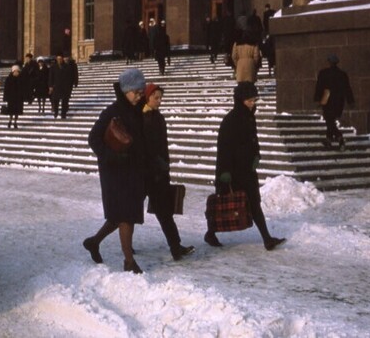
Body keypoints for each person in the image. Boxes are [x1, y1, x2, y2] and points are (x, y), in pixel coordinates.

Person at [205, 82, 285, 251]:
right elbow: (224, 148)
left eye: (254, 100)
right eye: (249, 100)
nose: (252, 103)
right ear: (240, 100)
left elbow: (253, 141)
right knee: (227, 203)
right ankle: (210, 233)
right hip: (233, 171)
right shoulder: (231, 120)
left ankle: (267, 239)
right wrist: (224, 172)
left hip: (248, 169)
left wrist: (257, 155)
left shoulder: (249, 116)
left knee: (254, 202)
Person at [84, 68, 148, 273]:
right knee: (126, 216)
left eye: (141, 92)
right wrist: (112, 157)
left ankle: (94, 242)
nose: (139, 96)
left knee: (119, 216)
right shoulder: (112, 111)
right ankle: (129, 261)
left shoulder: (138, 111)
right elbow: (93, 139)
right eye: (136, 92)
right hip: (114, 172)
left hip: (133, 171)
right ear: (125, 90)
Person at [142, 83, 194, 261]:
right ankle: (114, 242)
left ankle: (175, 246)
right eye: (156, 97)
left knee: (164, 212)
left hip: (159, 172)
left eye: (160, 97)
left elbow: (160, 146)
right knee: (131, 212)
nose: (159, 101)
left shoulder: (157, 117)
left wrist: (164, 166)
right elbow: (147, 148)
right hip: (148, 173)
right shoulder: (144, 117)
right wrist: (159, 164)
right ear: (147, 97)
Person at [313, 54, 355, 150]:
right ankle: (328, 140)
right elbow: (347, 89)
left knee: (329, 121)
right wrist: (350, 101)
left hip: (327, 100)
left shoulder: (324, 73)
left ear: (329, 62)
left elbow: (319, 87)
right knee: (330, 120)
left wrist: (317, 99)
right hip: (339, 102)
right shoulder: (342, 74)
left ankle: (339, 137)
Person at [49, 53, 75, 119]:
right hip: (56, 87)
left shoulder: (67, 67)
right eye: (58, 59)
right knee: (56, 101)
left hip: (65, 87)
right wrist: (50, 86)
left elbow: (70, 77)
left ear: (62, 59)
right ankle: (56, 112)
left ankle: (63, 114)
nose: (59, 60)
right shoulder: (53, 67)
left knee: (65, 102)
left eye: (60, 59)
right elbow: (51, 77)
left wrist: (70, 86)